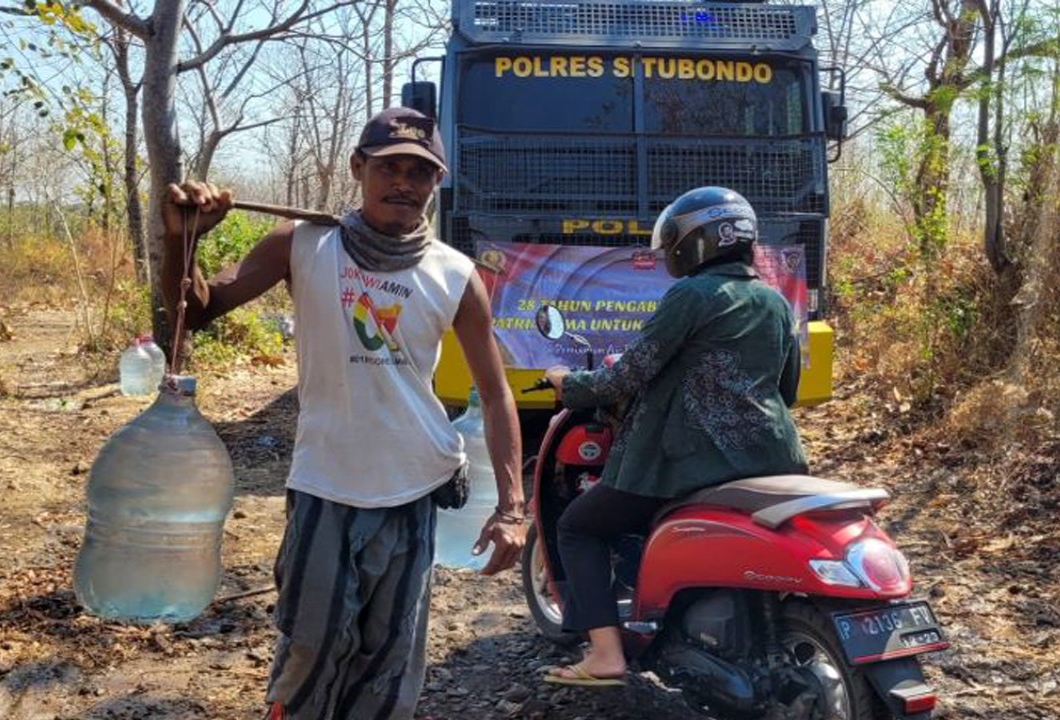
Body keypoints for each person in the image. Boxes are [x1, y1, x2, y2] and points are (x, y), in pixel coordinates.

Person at [159, 107, 527, 720]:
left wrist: (513, 506)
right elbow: (196, 311)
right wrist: (182, 240)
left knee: (388, 664)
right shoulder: (303, 243)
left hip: (415, 489)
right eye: (389, 168)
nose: (403, 183)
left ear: (437, 182)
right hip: (325, 487)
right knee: (310, 651)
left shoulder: (455, 274)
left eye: (419, 172)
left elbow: (495, 393)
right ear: (358, 167)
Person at [541, 186, 808, 686]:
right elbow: (787, 389)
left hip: (684, 465)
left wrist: (568, 383)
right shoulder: (774, 302)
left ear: (692, 241)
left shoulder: (691, 295)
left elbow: (626, 377)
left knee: (578, 526)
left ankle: (605, 655)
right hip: (774, 460)